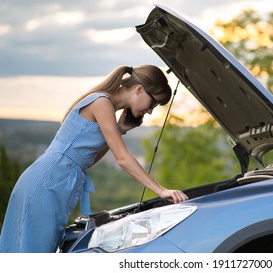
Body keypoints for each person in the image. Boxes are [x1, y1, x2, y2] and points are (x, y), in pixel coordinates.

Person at [0, 65, 188, 253]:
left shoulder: (105, 106)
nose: (150, 111)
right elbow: (122, 158)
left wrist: (120, 129)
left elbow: (86, 161)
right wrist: (160, 190)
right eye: (153, 103)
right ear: (139, 90)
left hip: (53, 183)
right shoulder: (101, 103)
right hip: (46, 183)